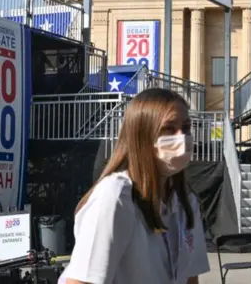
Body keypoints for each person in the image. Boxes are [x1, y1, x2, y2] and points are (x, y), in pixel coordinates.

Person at [61, 88, 210, 284]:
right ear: (142, 136)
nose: (182, 137)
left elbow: (190, 277)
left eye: (186, 127)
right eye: (169, 129)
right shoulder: (116, 196)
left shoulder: (185, 203)